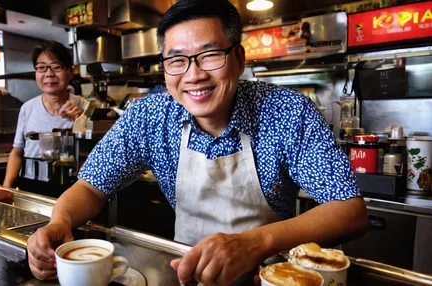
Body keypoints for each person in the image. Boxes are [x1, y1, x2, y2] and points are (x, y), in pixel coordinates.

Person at [27, 1, 368, 285]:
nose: (193, 75)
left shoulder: (287, 112)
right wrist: (60, 221)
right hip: (185, 272)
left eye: (209, 55)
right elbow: (91, 187)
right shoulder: (150, 115)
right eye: (177, 60)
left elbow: (349, 212)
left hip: (271, 275)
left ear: (238, 59)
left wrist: (253, 243)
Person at [3, 41, 87, 190]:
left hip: (72, 188)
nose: (48, 74)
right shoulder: (27, 108)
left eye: (56, 67)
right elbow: (17, 152)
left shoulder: (85, 108)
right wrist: (7, 187)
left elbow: (100, 152)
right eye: (41, 67)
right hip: (30, 184)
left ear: (70, 71)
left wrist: (82, 123)